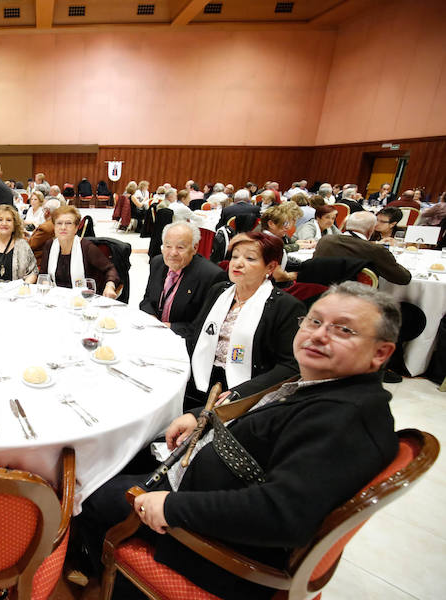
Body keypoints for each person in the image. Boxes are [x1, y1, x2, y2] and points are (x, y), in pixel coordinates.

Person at [79, 282, 399, 600]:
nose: (318, 334)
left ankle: (111, 585)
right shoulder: (330, 386)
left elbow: (281, 515)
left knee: (91, 494)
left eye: (343, 330)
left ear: (380, 353)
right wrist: (196, 416)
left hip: (213, 544)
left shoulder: (346, 421)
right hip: (205, 481)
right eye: (314, 321)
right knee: (124, 455)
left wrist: (172, 507)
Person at [186, 232, 305, 408]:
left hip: (245, 388)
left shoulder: (285, 306)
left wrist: (243, 392)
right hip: (200, 373)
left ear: (270, 267)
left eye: (250, 258)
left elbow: (290, 366)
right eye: (235, 256)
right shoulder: (219, 291)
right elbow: (195, 334)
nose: (238, 263)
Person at [139, 222, 226, 338]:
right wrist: (151, 318)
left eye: (180, 247)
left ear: (195, 248)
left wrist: (168, 328)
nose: (173, 253)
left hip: (184, 341)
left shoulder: (211, 276)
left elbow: (206, 325)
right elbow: (147, 300)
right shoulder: (157, 263)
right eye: (168, 246)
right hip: (153, 333)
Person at [39, 206, 119, 298]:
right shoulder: (49, 245)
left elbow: (110, 269)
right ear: (54, 227)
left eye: (68, 223)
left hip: (82, 299)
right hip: (55, 299)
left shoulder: (87, 247)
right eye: (59, 223)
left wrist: (110, 286)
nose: (63, 227)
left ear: (76, 228)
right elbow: (43, 274)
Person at [314, 212, 411, 284]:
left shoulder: (325, 241)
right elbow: (404, 278)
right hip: (358, 299)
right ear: (371, 230)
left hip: (321, 294)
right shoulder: (375, 250)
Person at [28, 199, 59, 264]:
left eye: (44, 210)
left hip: (36, 260)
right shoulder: (57, 223)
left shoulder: (45, 228)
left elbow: (29, 245)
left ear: (47, 212)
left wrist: (20, 234)